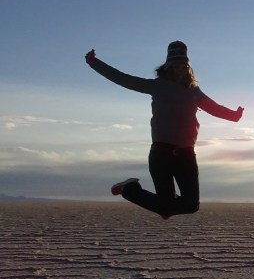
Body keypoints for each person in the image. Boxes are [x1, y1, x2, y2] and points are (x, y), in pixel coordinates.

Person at [85, 41, 244, 218]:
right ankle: (128, 190)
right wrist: (94, 63)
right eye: (176, 66)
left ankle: (139, 194)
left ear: (188, 68)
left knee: (190, 205)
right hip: (162, 153)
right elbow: (122, 79)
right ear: (168, 66)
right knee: (166, 206)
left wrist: (234, 116)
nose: (180, 70)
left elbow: (213, 108)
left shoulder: (193, 91)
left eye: (184, 66)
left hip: (186, 155)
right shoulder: (157, 85)